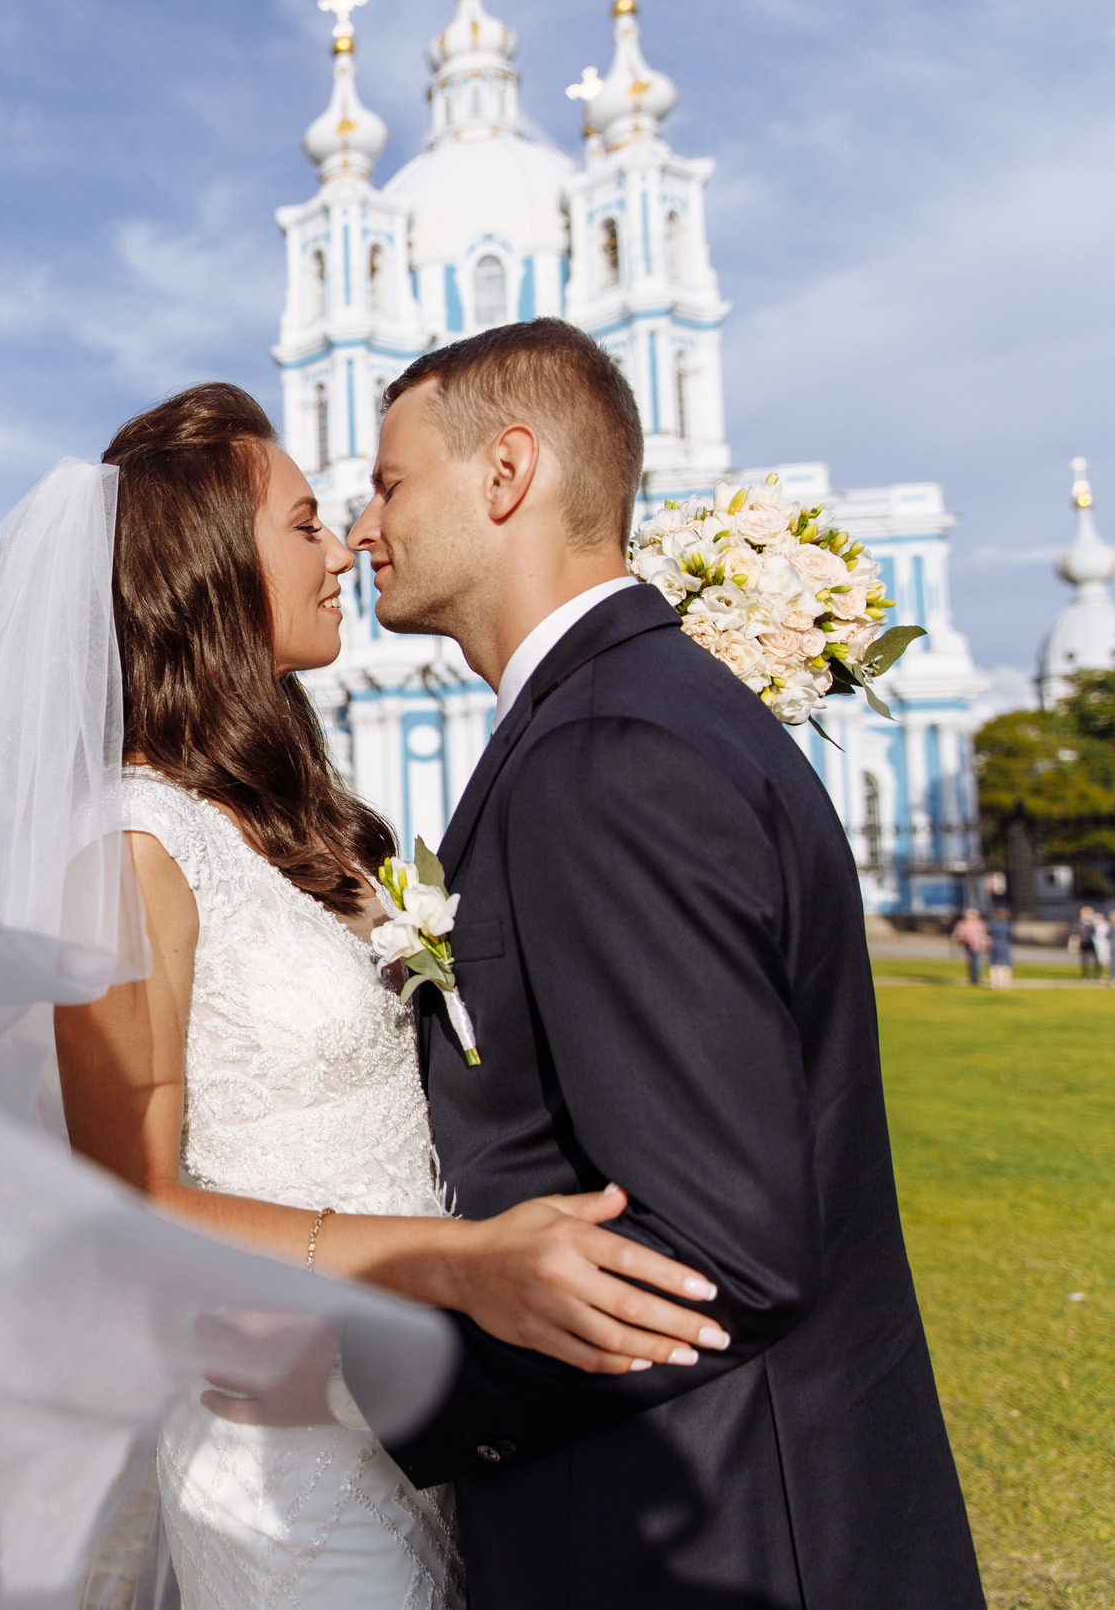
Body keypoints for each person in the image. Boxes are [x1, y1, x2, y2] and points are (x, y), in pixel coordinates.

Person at [0, 387, 728, 1610]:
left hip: (428, 1398)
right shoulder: (128, 845)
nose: (347, 544)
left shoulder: (298, 819)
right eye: (306, 524)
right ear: (208, 572)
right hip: (282, 1436)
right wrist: (450, 1262)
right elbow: (123, 1198)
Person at [343, 320, 981, 1607]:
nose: (364, 527)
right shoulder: (644, 709)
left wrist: (383, 1383)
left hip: (708, 1520)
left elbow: (719, 1248)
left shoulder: (607, 757)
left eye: (390, 482)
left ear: (506, 472)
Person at [951, 907, 990, 987]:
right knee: (971, 962)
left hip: (978, 945)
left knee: (975, 962)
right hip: (967, 944)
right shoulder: (962, 924)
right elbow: (957, 934)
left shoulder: (980, 924)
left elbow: (984, 935)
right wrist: (959, 938)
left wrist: (984, 943)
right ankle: (972, 978)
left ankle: (976, 979)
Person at [989, 905, 1016, 990]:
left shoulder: (992, 924)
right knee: (1006, 965)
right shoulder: (1007, 925)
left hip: (994, 944)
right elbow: (1010, 936)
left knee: (994, 965)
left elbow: (989, 934)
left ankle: (995, 984)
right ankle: (1005, 984)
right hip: (1004, 944)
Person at [1077, 905, 1103, 978]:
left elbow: (1096, 933)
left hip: (1091, 943)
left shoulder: (1092, 924)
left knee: (1095, 959)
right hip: (1083, 943)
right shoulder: (1080, 924)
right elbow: (1076, 934)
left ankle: (1097, 973)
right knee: (1084, 959)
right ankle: (1085, 973)